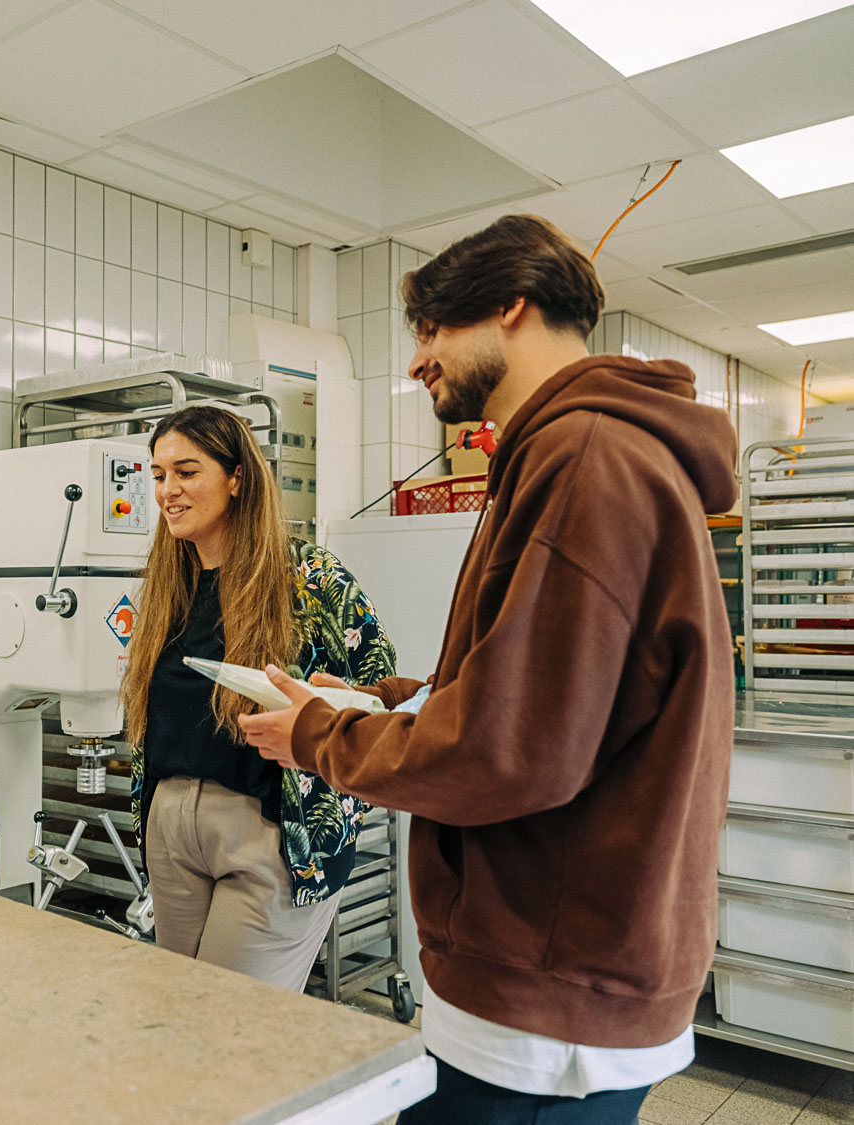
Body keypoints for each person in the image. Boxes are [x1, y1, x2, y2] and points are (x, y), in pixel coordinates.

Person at [241, 214, 738, 1122]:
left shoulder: (586, 458)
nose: (417, 362)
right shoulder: (578, 453)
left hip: (549, 989)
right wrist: (375, 699)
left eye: (432, 331)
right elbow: (541, 690)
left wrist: (319, 735)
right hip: (559, 965)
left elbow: (512, 746)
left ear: (510, 304)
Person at [121, 404, 396, 991]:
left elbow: (381, 697)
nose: (168, 490)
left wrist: (326, 718)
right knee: (180, 1011)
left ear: (237, 477)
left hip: (268, 833)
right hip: (171, 826)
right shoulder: (170, 582)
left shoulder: (310, 576)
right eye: (159, 474)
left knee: (234, 1028)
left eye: (187, 472)